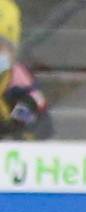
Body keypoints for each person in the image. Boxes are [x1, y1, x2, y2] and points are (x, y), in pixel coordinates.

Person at [0, 1, 51, 141]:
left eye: (0, 47)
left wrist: (17, 123)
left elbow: (43, 129)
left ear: (12, 52)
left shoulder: (21, 83)